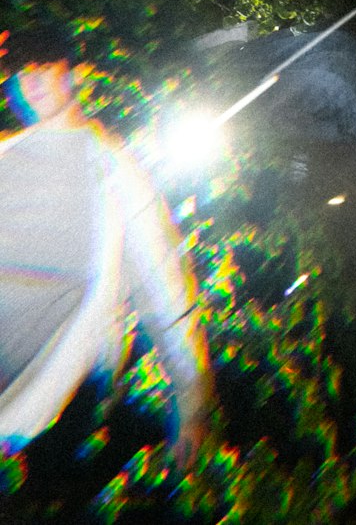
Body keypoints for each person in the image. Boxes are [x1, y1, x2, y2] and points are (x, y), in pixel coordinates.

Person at [0, 30, 213, 470]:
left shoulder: (114, 171)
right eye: (18, 70)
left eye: (42, 64)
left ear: (72, 74)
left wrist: (190, 397)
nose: (30, 79)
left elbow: (163, 288)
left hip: (44, 376)